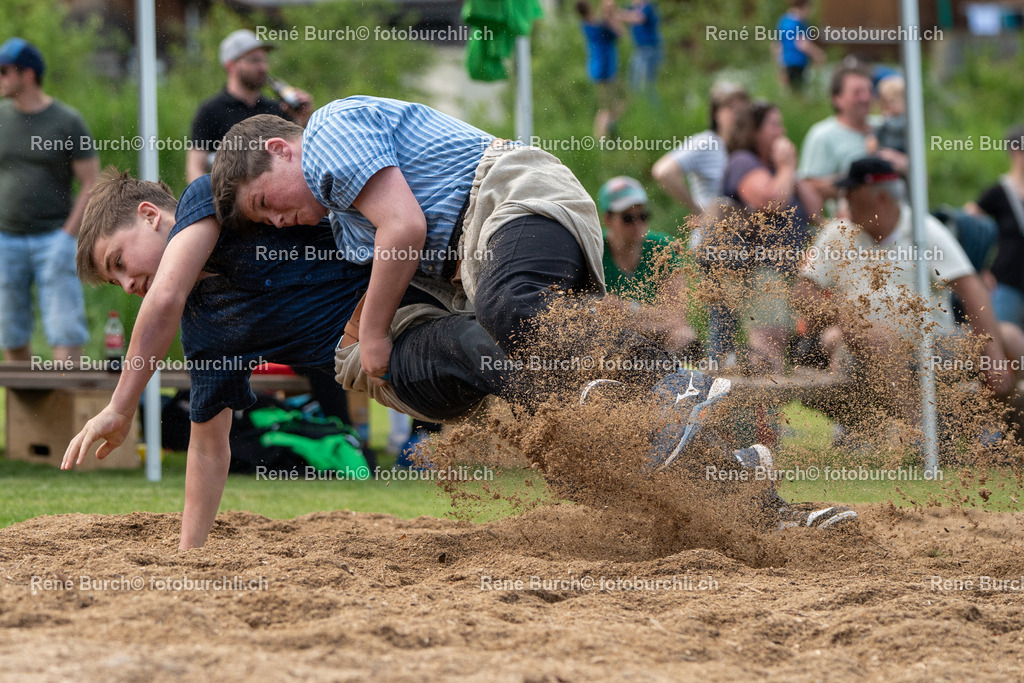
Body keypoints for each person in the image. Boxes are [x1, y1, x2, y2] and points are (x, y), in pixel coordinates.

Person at [794, 157, 1021, 430]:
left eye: (852, 192)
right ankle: (919, 434)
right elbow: (802, 293)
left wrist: (994, 360)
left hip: (932, 348)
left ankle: (1002, 435)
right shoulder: (837, 233)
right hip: (861, 354)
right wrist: (844, 317)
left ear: (879, 198)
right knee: (870, 333)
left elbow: (972, 290)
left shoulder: (923, 231)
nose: (845, 199)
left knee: (1010, 338)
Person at [0, 37, 99, 364]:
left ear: (28, 75)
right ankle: (24, 409)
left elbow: (91, 182)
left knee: (65, 325)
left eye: (4, 71)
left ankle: (65, 400)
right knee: (8, 327)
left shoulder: (68, 121)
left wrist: (66, 237)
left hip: (53, 237)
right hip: (6, 239)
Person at [719, 99, 821, 375]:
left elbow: (816, 213)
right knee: (768, 344)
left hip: (792, 270)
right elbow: (771, 202)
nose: (782, 131)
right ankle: (763, 415)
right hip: (760, 272)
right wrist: (786, 168)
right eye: (774, 125)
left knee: (788, 343)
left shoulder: (778, 170)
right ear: (754, 131)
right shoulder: (742, 162)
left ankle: (773, 413)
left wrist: (790, 169)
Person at [651, 81, 749, 365]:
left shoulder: (744, 147)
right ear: (716, 112)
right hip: (716, 241)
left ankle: (735, 370)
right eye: (730, 107)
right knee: (722, 310)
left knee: (742, 315)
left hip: (746, 242)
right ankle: (717, 372)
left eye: (741, 108)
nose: (737, 114)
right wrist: (698, 210)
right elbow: (664, 171)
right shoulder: (708, 143)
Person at [186, 29, 313, 183]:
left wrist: (304, 119)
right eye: (254, 60)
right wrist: (211, 202)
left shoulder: (278, 110)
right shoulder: (210, 111)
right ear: (230, 65)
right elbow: (194, 168)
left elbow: (303, 157)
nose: (263, 67)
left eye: (264, 60)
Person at [597, 176, 696, 353]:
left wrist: (626, 309)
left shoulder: (663, 248)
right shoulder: (595, 250)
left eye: (643, 216)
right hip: (612, 339)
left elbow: (677, 316)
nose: (637, 224)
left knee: (684, 336)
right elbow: (594, 314)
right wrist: (652, 315)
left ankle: (681, 378)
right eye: (627, 218)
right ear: (608, 219)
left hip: (657, 337)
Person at [798, 65, 907, 207]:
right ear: (836, 98)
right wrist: (858, 180)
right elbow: (807, 187)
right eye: (857, 92)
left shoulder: (886, 126)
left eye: (869, 90)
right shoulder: (822, 135)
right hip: (851, 223)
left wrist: (905, 164)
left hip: (901, 215)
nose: (866, 97)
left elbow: (923, 181)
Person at [965, 124, 1024, 326]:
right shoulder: (999, 192)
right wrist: (979, 269)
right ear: (1016, 152)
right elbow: (967, 226)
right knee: (1000, 338)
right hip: (1007, 281)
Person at [575, 0, 625, 139]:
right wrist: (610, 12)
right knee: (610, 106)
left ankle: (607, 133)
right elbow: (619, 33)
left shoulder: (587, 25)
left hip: (597, 68)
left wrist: (606, 11)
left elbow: (599, 20)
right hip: (606, 69)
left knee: (609, 104)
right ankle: (601, 137)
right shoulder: (599, 26)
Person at [773, 0, 825, 93]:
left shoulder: (783, 21)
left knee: (789, 93)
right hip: (797, 63)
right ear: (804, 6)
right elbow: (801, 43)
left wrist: (780, 66)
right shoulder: (798, 23)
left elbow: (777, 45)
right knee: (798, 93)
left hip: (786, 62)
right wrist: (818, 54)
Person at [620, 0, 662, 102]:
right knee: (634, 83)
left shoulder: (648, 7)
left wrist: (619, 14)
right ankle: (641, 109)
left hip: (649, 50)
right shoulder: (634, 8)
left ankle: (653, 112)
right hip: (639, 50)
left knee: (646, 85)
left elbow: (638, 18)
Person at [872, 74, 907, 156]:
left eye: (893, 101)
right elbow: (878, 132)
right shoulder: (885, 119)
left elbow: (896, 127)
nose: (890, 106)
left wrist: (886, 119)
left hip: (900, 149)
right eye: (886, 103)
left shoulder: (904, 120)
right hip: (886, 149)